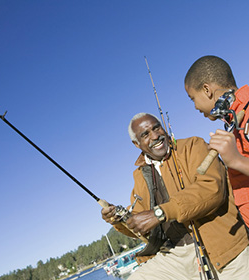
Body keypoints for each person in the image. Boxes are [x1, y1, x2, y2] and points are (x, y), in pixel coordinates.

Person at [101, 112, 249, 280]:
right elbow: (142, 226)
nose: (155, 135)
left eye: (156, 127)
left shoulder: (193, 145)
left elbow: (211, 189)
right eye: (145, 134)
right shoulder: (139, 176)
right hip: (176, 256)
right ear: (136, 144)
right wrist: (118, 220)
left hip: (224, 248)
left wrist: (160, 212)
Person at [184, 55, 249, 226]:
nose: (195, 107)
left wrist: (236, 160)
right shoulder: (233, 120)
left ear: (207, 90)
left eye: (193, 98)